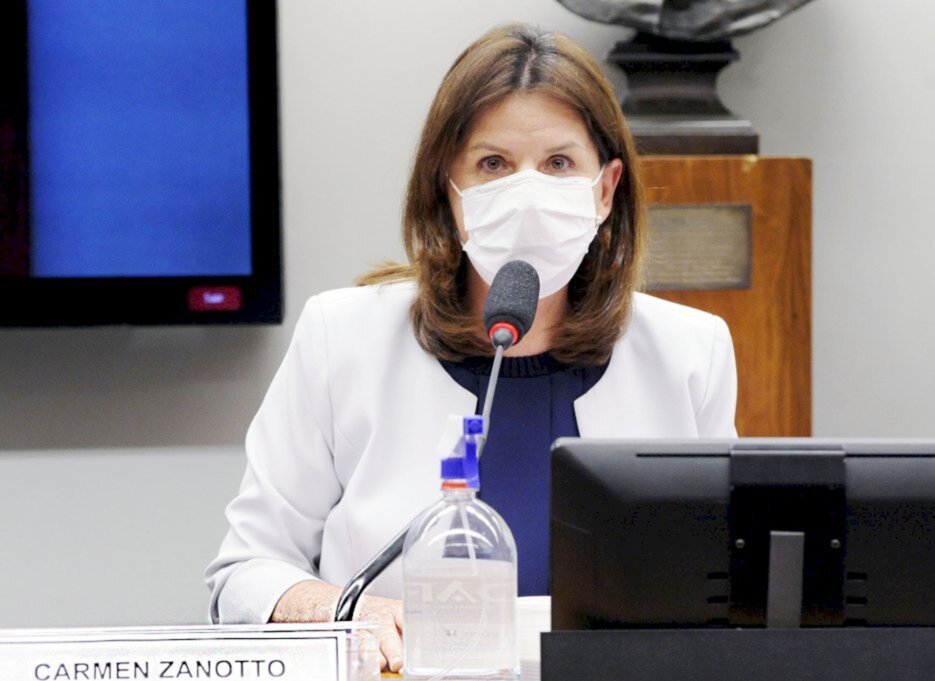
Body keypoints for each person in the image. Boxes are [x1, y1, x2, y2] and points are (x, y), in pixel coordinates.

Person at [205, 23, 737, 673]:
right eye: (493, 164)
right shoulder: (342, 337)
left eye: (559, 163)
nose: (528, 192)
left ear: (605, 189)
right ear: (448, 191)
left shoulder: (689, 352)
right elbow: (246, 568)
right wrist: (348, 611)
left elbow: (726, 583)